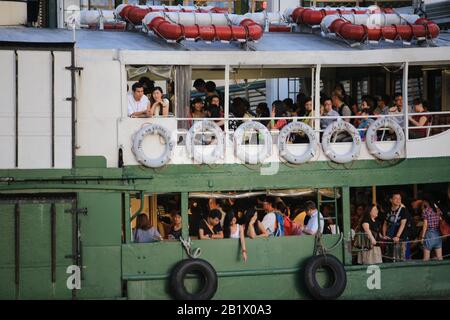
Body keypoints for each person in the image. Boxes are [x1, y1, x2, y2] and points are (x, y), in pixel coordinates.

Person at [382, 192, 410, 262]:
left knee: (400, 258)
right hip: (390, 238)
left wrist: (397, 236)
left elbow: (403, 224)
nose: (398, 200)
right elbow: (385, 224)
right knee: (389, 257)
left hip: (401, 238)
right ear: (391, 200)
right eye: (396, 198)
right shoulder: (388, 210)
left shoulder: (403, 210)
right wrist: (384, 235)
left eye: (399, 198)